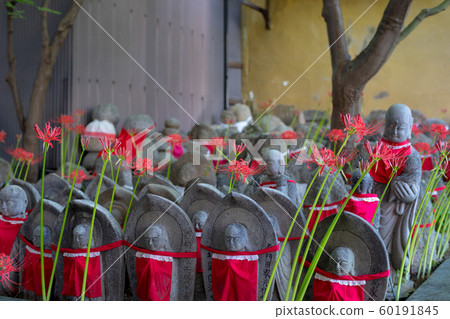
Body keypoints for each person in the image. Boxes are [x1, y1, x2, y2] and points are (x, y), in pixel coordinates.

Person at [369, 104, 421, 271]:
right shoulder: (375, 149)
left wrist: (404, 189)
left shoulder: (412, 155)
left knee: (385, 243)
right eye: (391, 126)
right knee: (370, 238)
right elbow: (364, 172)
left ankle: (387, 274)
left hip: (392, 207)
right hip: (372, 201)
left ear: (411, 126)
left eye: (401, 127)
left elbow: (413, 183)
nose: (396, 131)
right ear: (385, 124)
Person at [0, 185, 28, 255]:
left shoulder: (27, 225)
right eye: (1, 202)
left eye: (9, 203)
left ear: (24, 203)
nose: (3, 206)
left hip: (15, 263)